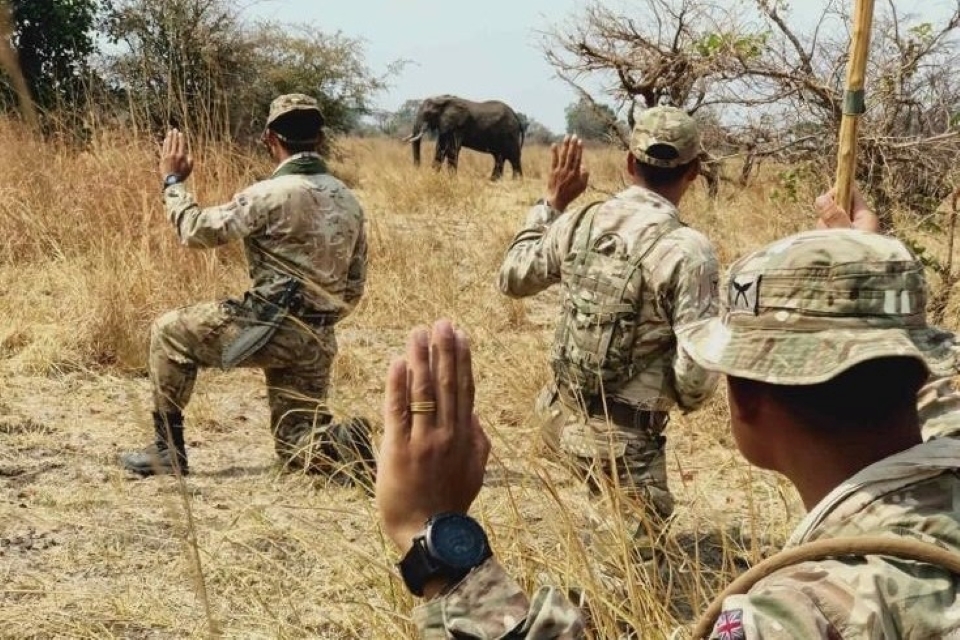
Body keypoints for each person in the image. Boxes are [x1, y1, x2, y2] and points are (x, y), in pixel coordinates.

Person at [376, 189, 960, 637]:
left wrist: (441, 551)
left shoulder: (800, 615)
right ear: (918, 368)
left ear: (743, 396)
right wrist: (864, 277)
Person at [120, 94, 374, 481]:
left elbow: (196, 231)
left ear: (269, 138)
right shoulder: (349, 200)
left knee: (168, 332)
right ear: (320, 138)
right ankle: (341, 442)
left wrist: (173, 183)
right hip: (318, 336)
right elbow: (354, 283)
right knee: (295, 445)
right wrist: (319, 322)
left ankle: (167, 449)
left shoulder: (268, 194)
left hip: (269, 325)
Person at [496, 109, 721, 542]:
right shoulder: (689, 251)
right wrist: (678, 398)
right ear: (694, 171)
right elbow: (696, 375)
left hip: (558, 417)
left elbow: (513, 277)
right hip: (624, 442)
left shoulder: (579, 221)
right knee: (633, 572)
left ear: (630, 163)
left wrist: (551, 204)